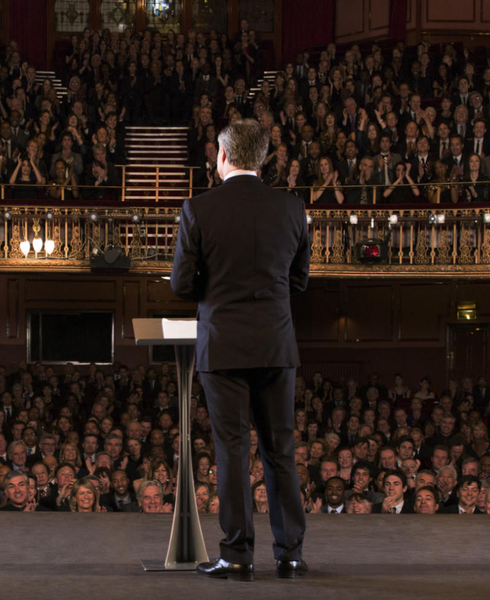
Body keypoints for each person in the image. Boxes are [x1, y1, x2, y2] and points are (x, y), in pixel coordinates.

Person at [172, 119, 309, 581]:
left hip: (223, 346)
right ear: (264, 158)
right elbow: (299, 280)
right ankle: (290, 555)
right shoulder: (292, 208)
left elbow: (181, 285)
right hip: (275, 342)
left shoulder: (198, 208)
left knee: (231, 451)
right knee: (280, 453)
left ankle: (237, 555)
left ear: (223, 156)